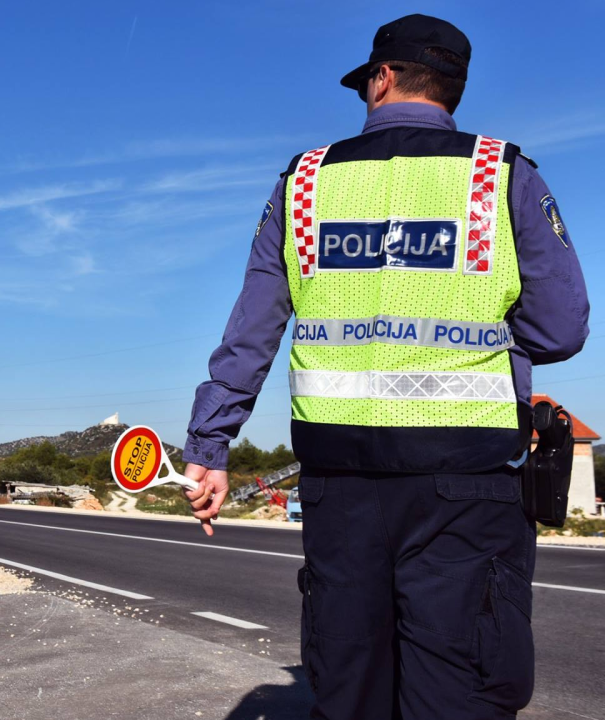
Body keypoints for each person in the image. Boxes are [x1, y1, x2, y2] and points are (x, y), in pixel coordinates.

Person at [180, 14, 589, 719]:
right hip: (468, 481)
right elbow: (560, 329)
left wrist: (210, 444)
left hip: (341, 485)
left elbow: (252, 330)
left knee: (351, 686)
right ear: (452, 88)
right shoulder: (502, 173)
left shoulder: (304, 183)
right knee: (458, 689)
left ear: (383, 77)